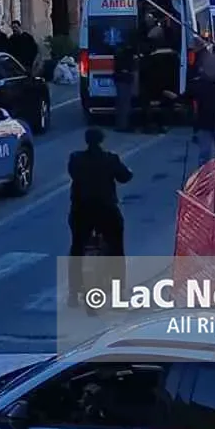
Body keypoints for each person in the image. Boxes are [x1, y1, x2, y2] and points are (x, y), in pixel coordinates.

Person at [66, 128, 131, 306]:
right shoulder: (110, 159)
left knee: (77, 247)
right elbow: (125, 177)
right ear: (101, 140)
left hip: (81, 210)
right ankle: (119, 293)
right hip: (105, 211)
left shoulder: (76, 158)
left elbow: (72, 173)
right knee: (116, 247)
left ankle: (73, 293)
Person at [187, 35, 215, 159]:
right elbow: (187, 96)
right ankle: (207, 176)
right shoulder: (200, 83)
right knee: (208, 153)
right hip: (208, 123)